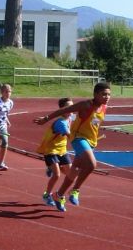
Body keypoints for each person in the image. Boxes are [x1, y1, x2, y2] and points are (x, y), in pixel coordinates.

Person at [33, 82, 111, 211]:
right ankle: (75, 190)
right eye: (103, 94)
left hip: (90, 141)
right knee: (92, 164)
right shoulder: (86, 105)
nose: (106, 97)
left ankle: (59, 195)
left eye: (108, 94)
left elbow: (94, 124)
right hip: (78, 138)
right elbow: (63, 110)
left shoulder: (104, 108)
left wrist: (94, 138)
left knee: (74, 170)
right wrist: (46, 118)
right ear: (95, 94)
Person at [36, 98, 74, 206]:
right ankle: (47, 194)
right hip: (51, 150)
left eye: (72, 106)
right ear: (61, 109)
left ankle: (51, 167)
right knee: (57, 175)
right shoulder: (60, 122)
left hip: (62, 150)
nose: (71, 109)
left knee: (70, 173)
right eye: (68, 107)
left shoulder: (70, 117)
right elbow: (70, 135)